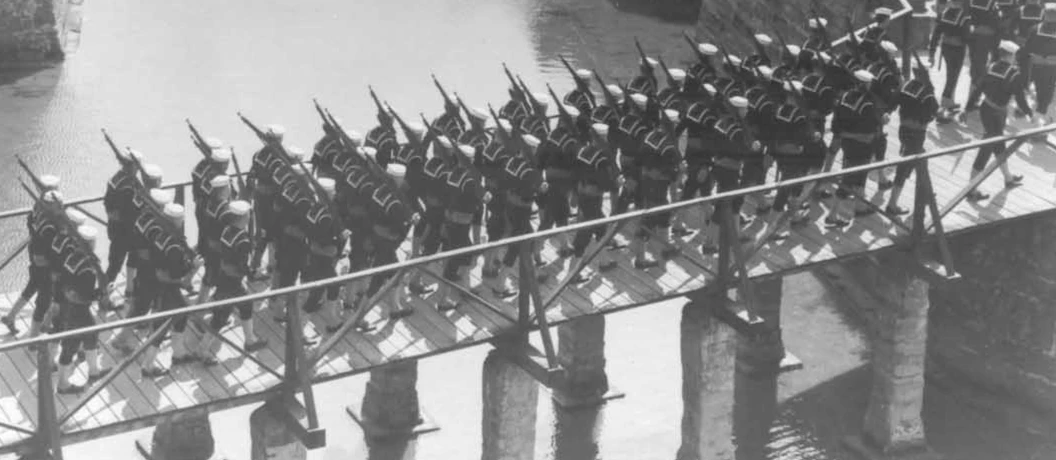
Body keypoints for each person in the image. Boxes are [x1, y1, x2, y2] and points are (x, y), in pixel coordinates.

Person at [195, 200, 266, 365]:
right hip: (232, 283)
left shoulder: (227, 231)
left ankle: (250, 339)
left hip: (223, 278)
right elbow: (240, 265)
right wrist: (250, 272)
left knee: (245, 305)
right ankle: (203, 350)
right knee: (220, 317)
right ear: (244, 217)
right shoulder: (243, 240)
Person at [963, 40, 1030, 201]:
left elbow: (978, 89)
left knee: (999, 145)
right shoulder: (1014, 73)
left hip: (987, 109)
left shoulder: (990, 67)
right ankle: (971, 188)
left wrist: (968, 107)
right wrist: (1030, 113)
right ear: (1011, 55)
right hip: (997, 113)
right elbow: (1020, 98)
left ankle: (1008, 177)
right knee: (986, 149)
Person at [3, 175, 61, 335]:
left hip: (35, 254)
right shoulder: (49, 223)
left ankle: (11, 316)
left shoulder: (38, 208)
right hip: (43, 262)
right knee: (44, 298)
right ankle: (36, 334)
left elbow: (30, 224)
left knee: (31, 287)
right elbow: (47, 248)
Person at [54, 225, 110, 394]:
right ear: (91, 244)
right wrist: (101, 294)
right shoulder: (87, 268)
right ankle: (63, 384)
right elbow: (86, 295)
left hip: (71, 306)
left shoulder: (71, 258)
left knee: (91, 335)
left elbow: (62, 281)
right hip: (79, 310)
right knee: (70, 346)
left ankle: (93, 371)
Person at [828, 70, 884, 227]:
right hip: (861, 145)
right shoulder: (867, 104)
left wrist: (846, 134)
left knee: (859, 177)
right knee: (848, 181)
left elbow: (836, 123)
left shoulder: (845, 97)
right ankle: (832, 215)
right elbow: (870, 128)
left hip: (847, 143)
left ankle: (860, 207)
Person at [567, 124, 621, 283]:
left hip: (584, 195)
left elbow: (575, 175)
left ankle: (604, 262)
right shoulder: (601, 158)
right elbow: (604, 181)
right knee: (584, 236)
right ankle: (572, 274)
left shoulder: (582, 151)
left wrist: (574, 194)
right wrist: (616, 184)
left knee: (601, 229)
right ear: (603, 137)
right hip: (593, 197)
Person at [886, 60, 939, 214]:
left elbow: (893, 101)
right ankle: (892, 204)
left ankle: (926, 193)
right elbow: (932, 112)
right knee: (905, 168)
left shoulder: (906, 85)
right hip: (916, 134)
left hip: (903, 130)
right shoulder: (927, 93)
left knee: (921, 161)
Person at [635, 109, 683, 268]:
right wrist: (680, 171)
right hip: (659, 186)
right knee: (647, 223)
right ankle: (641, 259)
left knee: (663, 218)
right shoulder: (668, 145)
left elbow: (640, 159)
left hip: (646, 181)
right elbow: (672, 172)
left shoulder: (648, 136)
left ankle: (666, 248)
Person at [930, 0, 972, 118]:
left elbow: (936, 33)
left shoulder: (945, 13)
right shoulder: (964, 17)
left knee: (950, 75)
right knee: (952, 78)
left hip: (945, 48)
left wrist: (932, 52)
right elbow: (966, 36)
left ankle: (949, 103)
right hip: (957, 49)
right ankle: (943, 107)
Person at [1020, 4, 1056, 127]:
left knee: (1032, 88)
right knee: (1045, 95)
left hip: (1034, 66)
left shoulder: (1035, 28)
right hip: (1051, 68)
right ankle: (1038, 125)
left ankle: (1026, 112)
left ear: (1045, 15)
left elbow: (1027, 48)